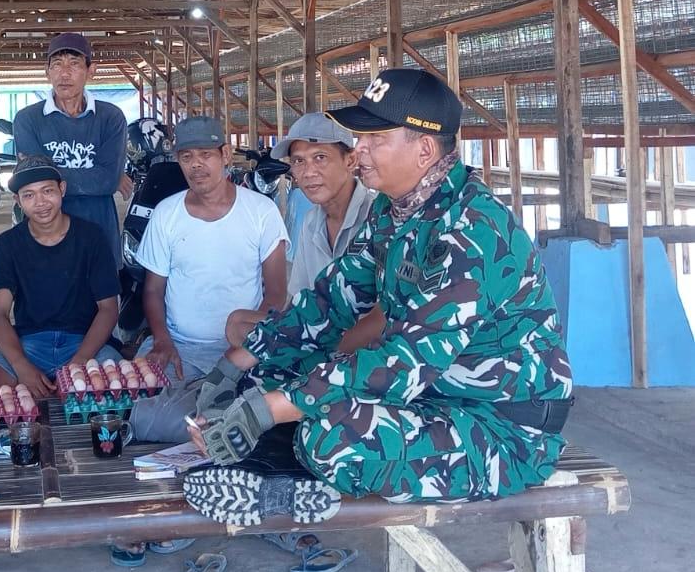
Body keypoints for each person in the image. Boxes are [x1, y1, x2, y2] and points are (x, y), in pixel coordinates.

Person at [183, 69, 574, 530]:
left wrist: (267, 409)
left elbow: (403, 363)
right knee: (275, 374)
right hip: (435, 400)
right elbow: (329, 302)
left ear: (424, 150)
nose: (359, 150)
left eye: (375, 138)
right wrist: (238, 363)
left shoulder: (473, 231)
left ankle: (283, 487)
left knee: (331, 437)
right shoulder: (395, 211)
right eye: (360, 136)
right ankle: (275, 462)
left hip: (502, 428)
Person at [128, 115, 289, 444]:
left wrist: (249, 347)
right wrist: (162, 340)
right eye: (187, 156)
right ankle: (217, 417)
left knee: (277, 406)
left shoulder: (261, 211)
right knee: (138, 414)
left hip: (242, 348)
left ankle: (212, 415)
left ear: (225, 155)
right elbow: (153, 290)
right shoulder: (166, 213)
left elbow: (276, 293)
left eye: (205, 154)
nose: (196, 165)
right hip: (180, 348)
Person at [225, 112, 382, 352]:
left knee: (252, 348)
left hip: (363, 348)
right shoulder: (311, 222)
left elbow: (384, 319)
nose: (308, 172)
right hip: (318, 333)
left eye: (320, 157)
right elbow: (300, 299)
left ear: (350, 160)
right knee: (237, 323)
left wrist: (296, 347)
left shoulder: (378, 218)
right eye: (298, 161)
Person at [0, 156, 121, 399]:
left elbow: (108, 308)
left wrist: (80, 362)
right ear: (18, 200)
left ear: (62, 189)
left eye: (47, 191)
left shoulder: (92, 237)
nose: (40, 202)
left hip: (85, 342)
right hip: (28, 344)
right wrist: (21, 364)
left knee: (116, 386)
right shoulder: (7, 245)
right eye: (29, 195)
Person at [13, 32, 128, 266]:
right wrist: (100, 176)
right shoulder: (28, 119)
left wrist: (51, 175)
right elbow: (34, 180)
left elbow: (107, 180)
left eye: (74, 64)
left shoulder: (110, 117)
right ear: (47, 72)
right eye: (57, 64)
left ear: (90, 71)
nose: (64, 73)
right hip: (46, 241)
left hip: (100, 237)